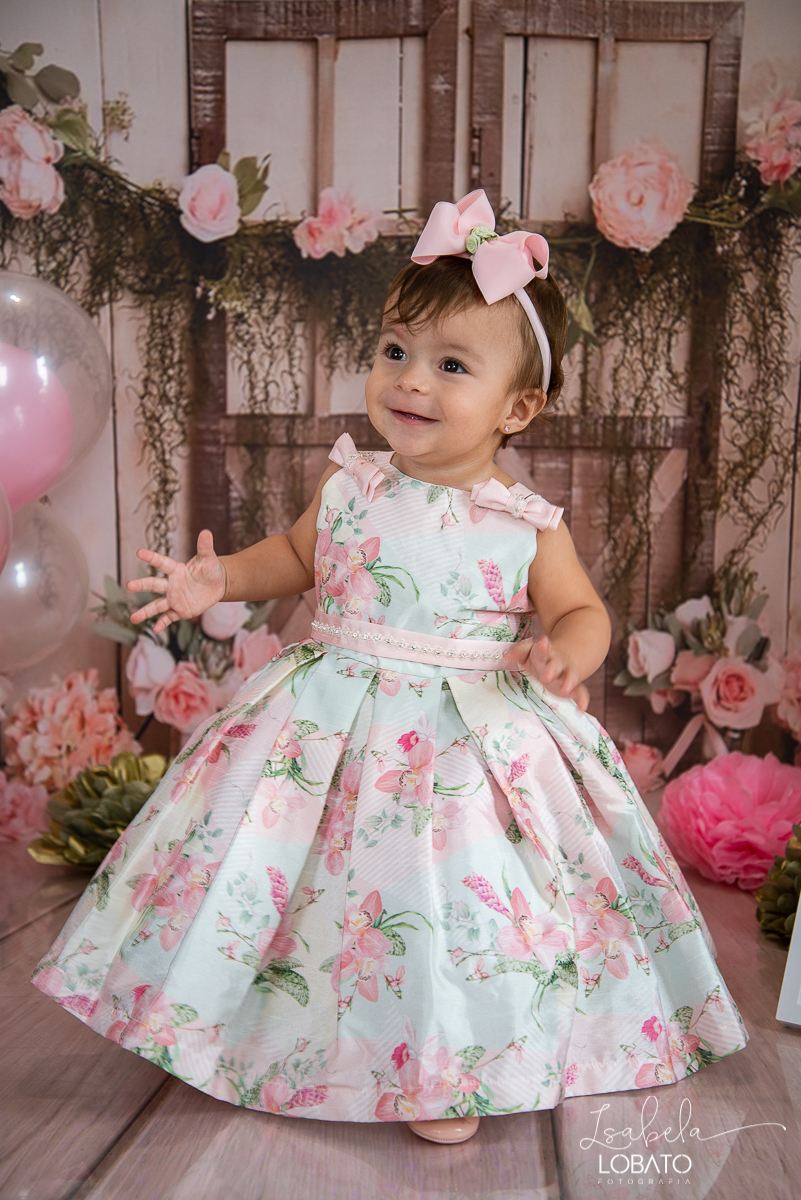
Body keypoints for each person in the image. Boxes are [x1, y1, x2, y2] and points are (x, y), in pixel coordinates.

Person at [30, 190, 748, 1146]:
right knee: (287, 877)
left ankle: (444, 1069)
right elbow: (293, 559)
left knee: (441, 893)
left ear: (518, 407)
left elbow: (583, 613)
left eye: (451, 365)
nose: (409, 381)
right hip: (327, 717)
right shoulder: (350, 484)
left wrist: (562, 655)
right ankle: (244, 1028)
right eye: (395, 352)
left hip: (465, 734)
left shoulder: (523, 523)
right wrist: (217, 579)